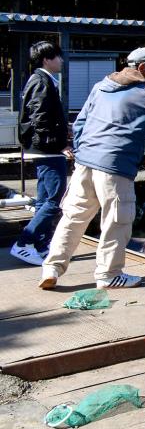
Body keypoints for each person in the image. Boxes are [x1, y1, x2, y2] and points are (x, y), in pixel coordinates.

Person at [38, 47, 145, 290]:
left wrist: (82, 151)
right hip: (116, 165)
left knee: (73, 217)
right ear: (142, 68)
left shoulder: (100, 86)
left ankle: (52, 267)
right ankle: (109, 273)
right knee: (117, 220)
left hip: (85, 163)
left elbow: (81, 123)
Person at [11, 41, 72, 266]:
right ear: (47, 59)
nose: (61, 61)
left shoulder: (39, 79)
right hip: (47, 151)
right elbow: (40, 118)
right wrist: (59, 145)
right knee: (55, 200)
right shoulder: (42, 81)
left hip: (41, 149)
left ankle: (40, 245)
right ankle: (24, 243)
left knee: (44, 200)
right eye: (58, 56)